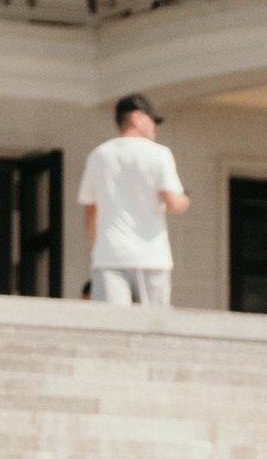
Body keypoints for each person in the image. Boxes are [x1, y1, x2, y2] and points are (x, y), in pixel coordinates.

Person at [77, 96, 188, 310]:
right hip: (152, 257)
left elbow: (90, 210)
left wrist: (97, 246)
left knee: (112, 328)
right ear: (138, 118)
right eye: (153, 120)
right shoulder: (159, 154)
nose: (156, 127)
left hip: (110, 257)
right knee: (153, 330)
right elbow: (173, 204)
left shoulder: (99, 156)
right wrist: (185, 199)